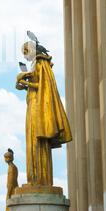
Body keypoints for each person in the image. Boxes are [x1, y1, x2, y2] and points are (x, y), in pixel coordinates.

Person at [16, 40, 72, 187]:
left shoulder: (41, 63)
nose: (25, 56)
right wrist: (22, 85)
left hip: (37, 107)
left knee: (37, 142)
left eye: (26, 52)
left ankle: (40, 180)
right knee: (33, 142)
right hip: (33, 105)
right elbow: (38, 87)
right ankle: (34, 179)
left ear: (32, 50)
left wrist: (25, 81)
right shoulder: (36, 64)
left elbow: (42, 86)